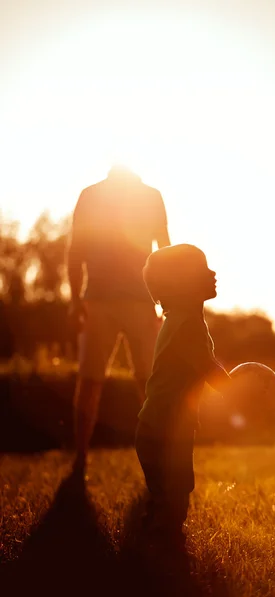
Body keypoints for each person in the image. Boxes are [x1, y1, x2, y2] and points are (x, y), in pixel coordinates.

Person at [67, 166, 170, 475]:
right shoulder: (92, 195)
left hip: (140, 301)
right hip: (99, 300)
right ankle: (81, 458)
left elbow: (164, 250)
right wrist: (75, 301)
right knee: (92, 379)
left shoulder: (151, 196)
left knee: (148, 381)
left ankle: (160, 455)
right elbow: (76, 251)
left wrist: (166, 298)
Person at [135, 244, 231, 550]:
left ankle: (153, 539)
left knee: (166, 494)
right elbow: (208, 368)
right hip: (167, 428)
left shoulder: (178, 319)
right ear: (181, 283)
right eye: (203, 269)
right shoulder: (187, 324)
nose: (212, 273)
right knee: (176, 494)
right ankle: (164, 552)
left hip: (155, 424)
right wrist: (241, 393)